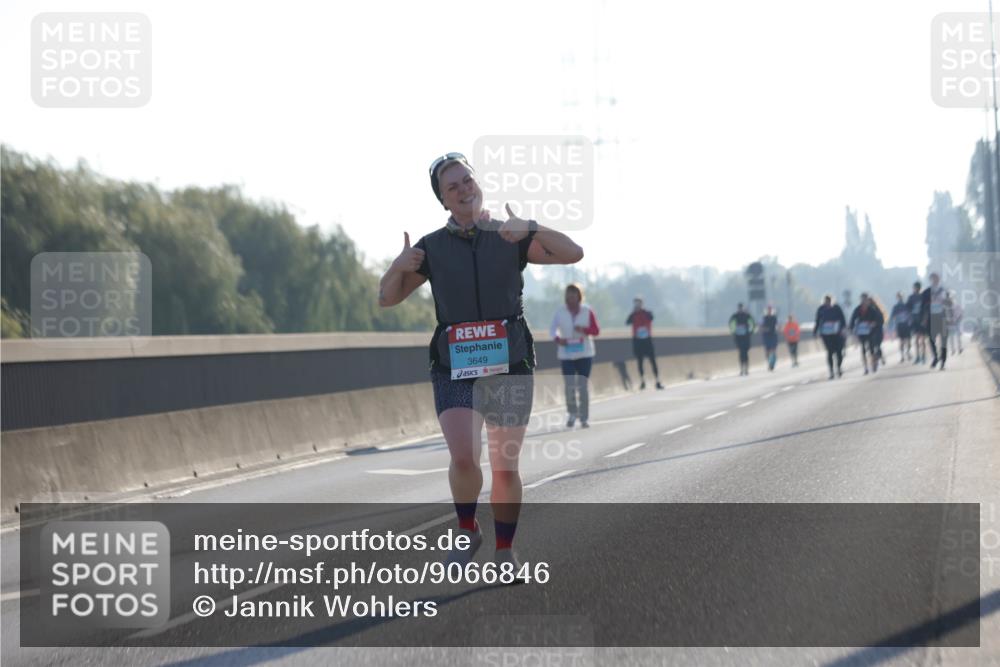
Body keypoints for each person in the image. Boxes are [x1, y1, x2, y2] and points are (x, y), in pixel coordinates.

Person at [378, 152, 583, 571]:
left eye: (466, 181)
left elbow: (573, 253)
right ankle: (468, 528)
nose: (463, 190)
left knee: (505, 467)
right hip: (454, 364)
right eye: (452, 187)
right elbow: (387, 298)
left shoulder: (509, 236)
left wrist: (532, 227)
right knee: (465, 457)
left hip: (509, 362)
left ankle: (505, 550)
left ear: (477, 183)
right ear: (444, 201)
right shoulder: (432, 247)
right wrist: (397, 267)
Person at [550, 283, 600, 428]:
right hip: (566, 354)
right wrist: (558, 339)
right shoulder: (560, 311)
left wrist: (584, 329)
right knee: (570, 385)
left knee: (582, 386)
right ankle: (572, 413)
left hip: (585, 353)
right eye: (568, 296)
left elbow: (596, 330)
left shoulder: (587, 310)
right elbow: (553, 329)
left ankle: (584, 417)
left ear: (579, 296)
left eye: (574, 296)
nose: (571, 298)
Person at [626, 297, 664, 390]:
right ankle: (642, 381)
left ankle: (657, 380)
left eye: (638, 303)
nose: (637, 305)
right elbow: (627, 322)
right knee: (640, 362)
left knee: (653, 361)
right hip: (638, 341)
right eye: (635, 303)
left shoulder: (647, 313)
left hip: (647, 340)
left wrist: (643, 311)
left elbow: (651, 318)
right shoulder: (633, 314)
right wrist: (633, 312)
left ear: (642, 304)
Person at [849, 293, 884, 375]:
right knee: (863, 350)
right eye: (862, 300)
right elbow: (852, 320)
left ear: (867, 300)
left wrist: (873, 323)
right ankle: (865, 368)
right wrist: (851, 329)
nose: (863, 301)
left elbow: (879, 320)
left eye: (865, 300)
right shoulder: (857, 309)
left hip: (871, 332)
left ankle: (874, 362)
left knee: (872, 349)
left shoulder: (872, 309)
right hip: (861, 332)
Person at [814, 294, 847, 379]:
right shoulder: (821, 309)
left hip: (837, 334)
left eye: (829, 301)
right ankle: (831, 371)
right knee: (829, 352)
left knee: (839, 352)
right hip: (826, 334)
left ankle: (839, 367)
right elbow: (817, 321)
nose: (827, 303)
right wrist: (815, 331)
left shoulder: (837, 308)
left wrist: (843, 329)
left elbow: (842, 319)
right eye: (826, 301)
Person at [921, 272, 949, 370]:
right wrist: (923, 319)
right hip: (931, 318)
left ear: (939, 279)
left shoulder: (944, 291)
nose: (935, 280)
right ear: (931, 280)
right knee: (931, 340)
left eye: (936, 278)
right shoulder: (926, 292)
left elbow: (950, 305)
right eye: (933, 278)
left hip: (942, 318)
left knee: (944, 340)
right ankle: (936, 357)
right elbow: (922, 307)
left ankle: (943, 361)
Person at [728, 303, 756, 376]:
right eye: (739, 308)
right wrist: (733, 331)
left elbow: (753, 322)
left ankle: (746, 369)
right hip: (738, 337)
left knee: (746, 354)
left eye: (741, 308)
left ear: (743, 308)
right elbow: (730, 322)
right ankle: (741, 369)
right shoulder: (735, 315)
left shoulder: (747, 315)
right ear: (738, 308)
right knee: (740, 354)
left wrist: (751, 331)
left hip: (746, 337)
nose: (740, 309)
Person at [906, 282, 926, 364]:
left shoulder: (923, 297)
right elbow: (907, 308)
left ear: (919, 288)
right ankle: (918, 356)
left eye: (916, 287)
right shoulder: (911, 297)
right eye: (914, 287)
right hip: (915, 321)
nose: (915, 289)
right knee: (917, 339)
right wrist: (910, 316)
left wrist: (925, 318)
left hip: (922, 320)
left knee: (923, 339)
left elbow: (926, 308)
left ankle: (923, 356)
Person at [889, 292, 912, 363]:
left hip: (906, 325)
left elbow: (910, 314)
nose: (900, 298)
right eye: (899, 297)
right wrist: (891, 327)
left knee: (908, 340)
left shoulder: (906, 305)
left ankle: (908, 352)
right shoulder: (895, 307)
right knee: (901, 341)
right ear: (897, 298)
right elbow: (892, 317)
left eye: (901, 297)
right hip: (900, 325)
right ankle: (902, 356)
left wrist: (910, 322)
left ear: (903, 297)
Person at [760, 304, 779, 371]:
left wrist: (777, 328)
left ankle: (772, 363)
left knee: (773, 350)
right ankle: (769, 363)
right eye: (768, 309)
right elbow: (761, 326)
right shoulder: (764, 318)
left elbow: (777, 326)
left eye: (770, 309)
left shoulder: (774, 318)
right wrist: (764, 329)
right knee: (767, 351)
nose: (769, 311)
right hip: (766, 336)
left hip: (773, 335)